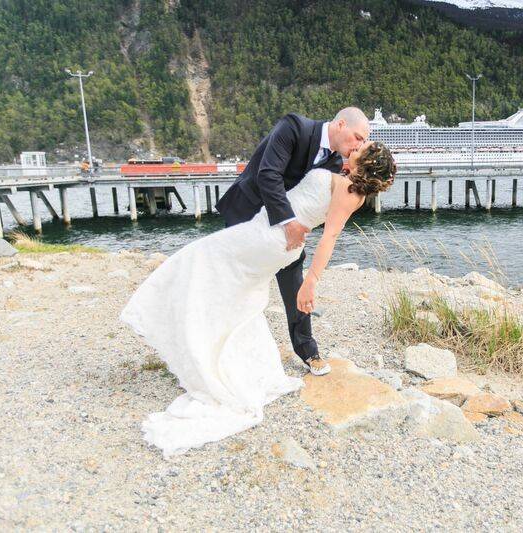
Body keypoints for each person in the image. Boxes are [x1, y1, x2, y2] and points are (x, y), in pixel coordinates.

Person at [120, 139, 396, 456]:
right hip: (266, 230)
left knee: (198, 256)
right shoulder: (343, 177)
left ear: (367, 161)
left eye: (364, 146)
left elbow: (329, 238)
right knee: (233, 292)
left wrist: (311, 282)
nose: (359, 144)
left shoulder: (350, 194)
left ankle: (167, 328)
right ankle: (212, 355)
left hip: (272, 239)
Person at [215, 108, 370, 376]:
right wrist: (289, 223)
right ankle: (222, 348)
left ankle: (308, 351)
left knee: (295, 281)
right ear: (341, 124)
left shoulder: (334, 163)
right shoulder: (294, 127)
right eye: (357, 137)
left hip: (289, 230)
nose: (359, 145)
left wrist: (299, 229)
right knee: (236, 285)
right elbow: (268, 174)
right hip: (249, 212)